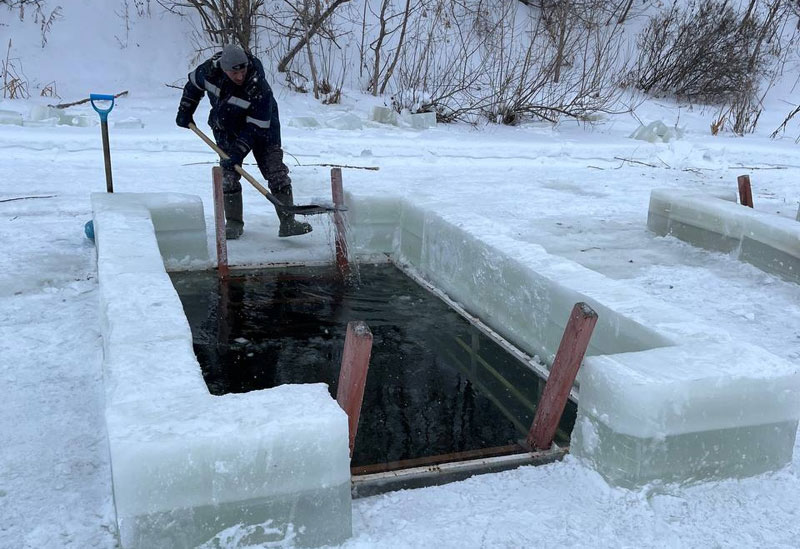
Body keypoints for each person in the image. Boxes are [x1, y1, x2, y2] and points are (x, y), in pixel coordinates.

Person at [175, 44, 311, 239]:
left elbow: (255, 128)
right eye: (234, 72)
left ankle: (288, 222)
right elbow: (192, 86)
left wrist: (238, 152)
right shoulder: (209, 72)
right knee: (229, 174)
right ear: (223, 68)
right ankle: (233, 223)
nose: (240, 76)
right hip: (226, 125)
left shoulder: (258, 86)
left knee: (275, 171)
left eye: (243, 70)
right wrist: (185, 110)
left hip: (263, 127)